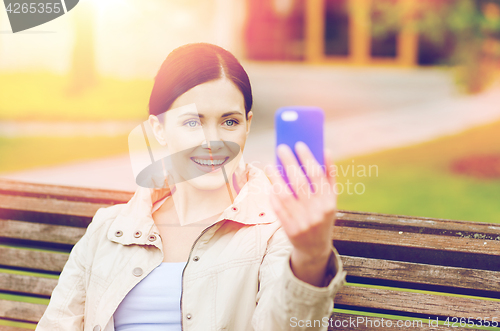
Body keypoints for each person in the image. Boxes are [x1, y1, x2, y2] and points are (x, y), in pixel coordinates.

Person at [35, 42, 346, 331]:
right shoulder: (110, 228)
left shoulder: (276, 231)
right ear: (159, 128)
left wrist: (310, 256)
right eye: (192, 122)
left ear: (248, 125)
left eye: (229, 122)